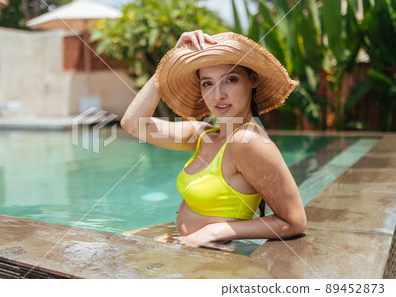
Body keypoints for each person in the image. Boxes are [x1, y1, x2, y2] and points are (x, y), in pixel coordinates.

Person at [121, 30, 306, 251]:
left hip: (210, 261)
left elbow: (294, 222)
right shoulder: (204, 134)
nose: (218, 95)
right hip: (184, 247)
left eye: (230, 79)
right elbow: (133, 123)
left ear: (252, 79)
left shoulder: (246, 141)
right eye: (207, 83)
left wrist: (216, 231)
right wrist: (173, 58)